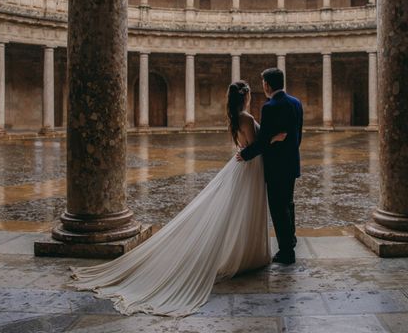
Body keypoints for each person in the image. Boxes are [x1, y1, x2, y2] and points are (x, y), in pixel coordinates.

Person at [68, 80, 285, 317]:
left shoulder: (235, 117)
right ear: (246, 97)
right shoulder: (244, 116)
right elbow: (255, 147)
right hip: (250, 168)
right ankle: (246, 254)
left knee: (238, 210)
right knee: (246, 210)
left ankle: (243, 252)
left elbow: (246, 146)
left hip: (242, 167)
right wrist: (273, 140)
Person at [236, 68, 303, 265]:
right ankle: (291, 239)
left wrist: (245, 154)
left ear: (266, 85)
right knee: (288, 204)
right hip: (292, 162)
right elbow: (298, 135)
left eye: (263, 83)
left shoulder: (270, 106)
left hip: (275, 166)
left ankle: (286, 252)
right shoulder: (296, 102)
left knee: (278, 208)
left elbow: (263, 141)